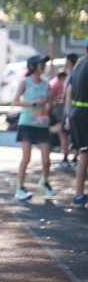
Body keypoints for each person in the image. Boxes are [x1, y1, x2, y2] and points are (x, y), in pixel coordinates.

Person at [12, 54, 56, 200]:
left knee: (46, 160)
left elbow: (49, 105)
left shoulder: (46, 84)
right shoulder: (25, 82)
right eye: (40, 63)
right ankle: (20, 187)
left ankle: (44, 181)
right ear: (32, 66)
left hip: (42, 124)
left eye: (44, 63)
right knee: (26, 157)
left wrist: (50, 100)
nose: (43, 66)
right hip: (26, 124)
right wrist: (35, 103)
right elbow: (15, 102)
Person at [65, 38, 88, 208]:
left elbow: (69, 92)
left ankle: (79, 195)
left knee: (84, 153)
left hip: (76, 113)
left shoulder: (79, 64)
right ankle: (79, 196)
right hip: (85, 113)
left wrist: (67, 116)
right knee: (85, 153)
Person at [57, 53, 80, 169]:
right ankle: (66, 157)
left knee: (74, 134)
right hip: (68, 107)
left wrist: (68, 113)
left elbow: (70, 94)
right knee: (64, 133)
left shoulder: (75, 73)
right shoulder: (70, 74)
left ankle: (75, 158)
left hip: (71, 108)